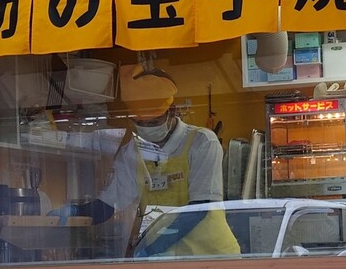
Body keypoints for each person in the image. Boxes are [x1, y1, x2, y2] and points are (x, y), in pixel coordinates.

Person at [50, 63, 240, 258]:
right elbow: (107, 205)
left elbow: (200, 207)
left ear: (172, 111)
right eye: (139, 122)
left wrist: (154, 247)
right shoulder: (132, 153)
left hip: (211, 256)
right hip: (168, 260)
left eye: (154, 121)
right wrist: (75, 211)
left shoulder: (202, 142)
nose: (147, 127)